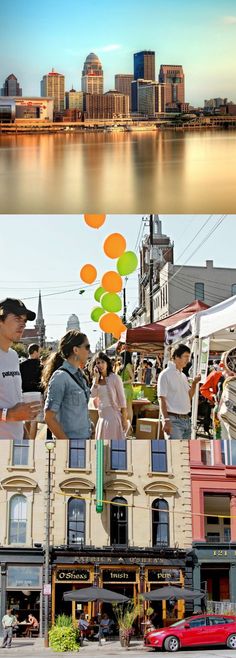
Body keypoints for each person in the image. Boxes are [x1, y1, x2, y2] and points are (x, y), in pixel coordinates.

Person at [0, 298, 42, 440]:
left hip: (16, 445)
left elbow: (13, 402)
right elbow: (11, 412)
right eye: (17, 318)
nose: (23, 324)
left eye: (24, 321)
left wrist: (24, 433)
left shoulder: (13, 356)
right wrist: (9, 415)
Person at [43, 331, 91, 440]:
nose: (89, 351)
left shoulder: (81, 375)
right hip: (71, 444)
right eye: (87, 347)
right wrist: (67, 445)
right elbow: (49, 417)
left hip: (85, 439)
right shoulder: (60, 377)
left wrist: (90, 427)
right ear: (76, 350)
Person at [157, 344, 201, 439]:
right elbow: (161, 398)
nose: (187, 360)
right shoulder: (165, 374)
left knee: (185, 452)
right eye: (185, 356)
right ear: (176, 357)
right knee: (176, 451)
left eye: (188, 357)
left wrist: (194, 384)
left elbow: (188, 397)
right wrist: (166, 420)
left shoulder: (183, 376)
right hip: (173, 420)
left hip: (186, 420)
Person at [91, 352, 128, 439]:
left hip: (113, 417)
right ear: (95, 366)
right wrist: (96, 380)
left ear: (107, 363)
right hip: (101, 418)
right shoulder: (96, 380)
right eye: (98, 363)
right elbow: (92, 395)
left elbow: (122, 400)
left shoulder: (115, 378)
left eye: (103, 362)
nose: (101, 365)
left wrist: (124, 419)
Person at [20, 343, 43, 440]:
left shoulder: (21, 365)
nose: (39, 354)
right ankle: (32, 441)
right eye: (39, 351)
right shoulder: (40, 365)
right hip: (37, 394)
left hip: (24, 393)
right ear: (35, 352)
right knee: (35, 420)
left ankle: (26, 439)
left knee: (27, 419)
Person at [118, 351, 134, 428]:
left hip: (127, 389)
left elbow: (132, 378)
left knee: (128, 408)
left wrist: (123, 382)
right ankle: (127, 425)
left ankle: (129, 426)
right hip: (124, 389)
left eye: (121, 356)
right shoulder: (123, 365)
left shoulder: (127, 365)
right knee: (126, 408)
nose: (120, 358)